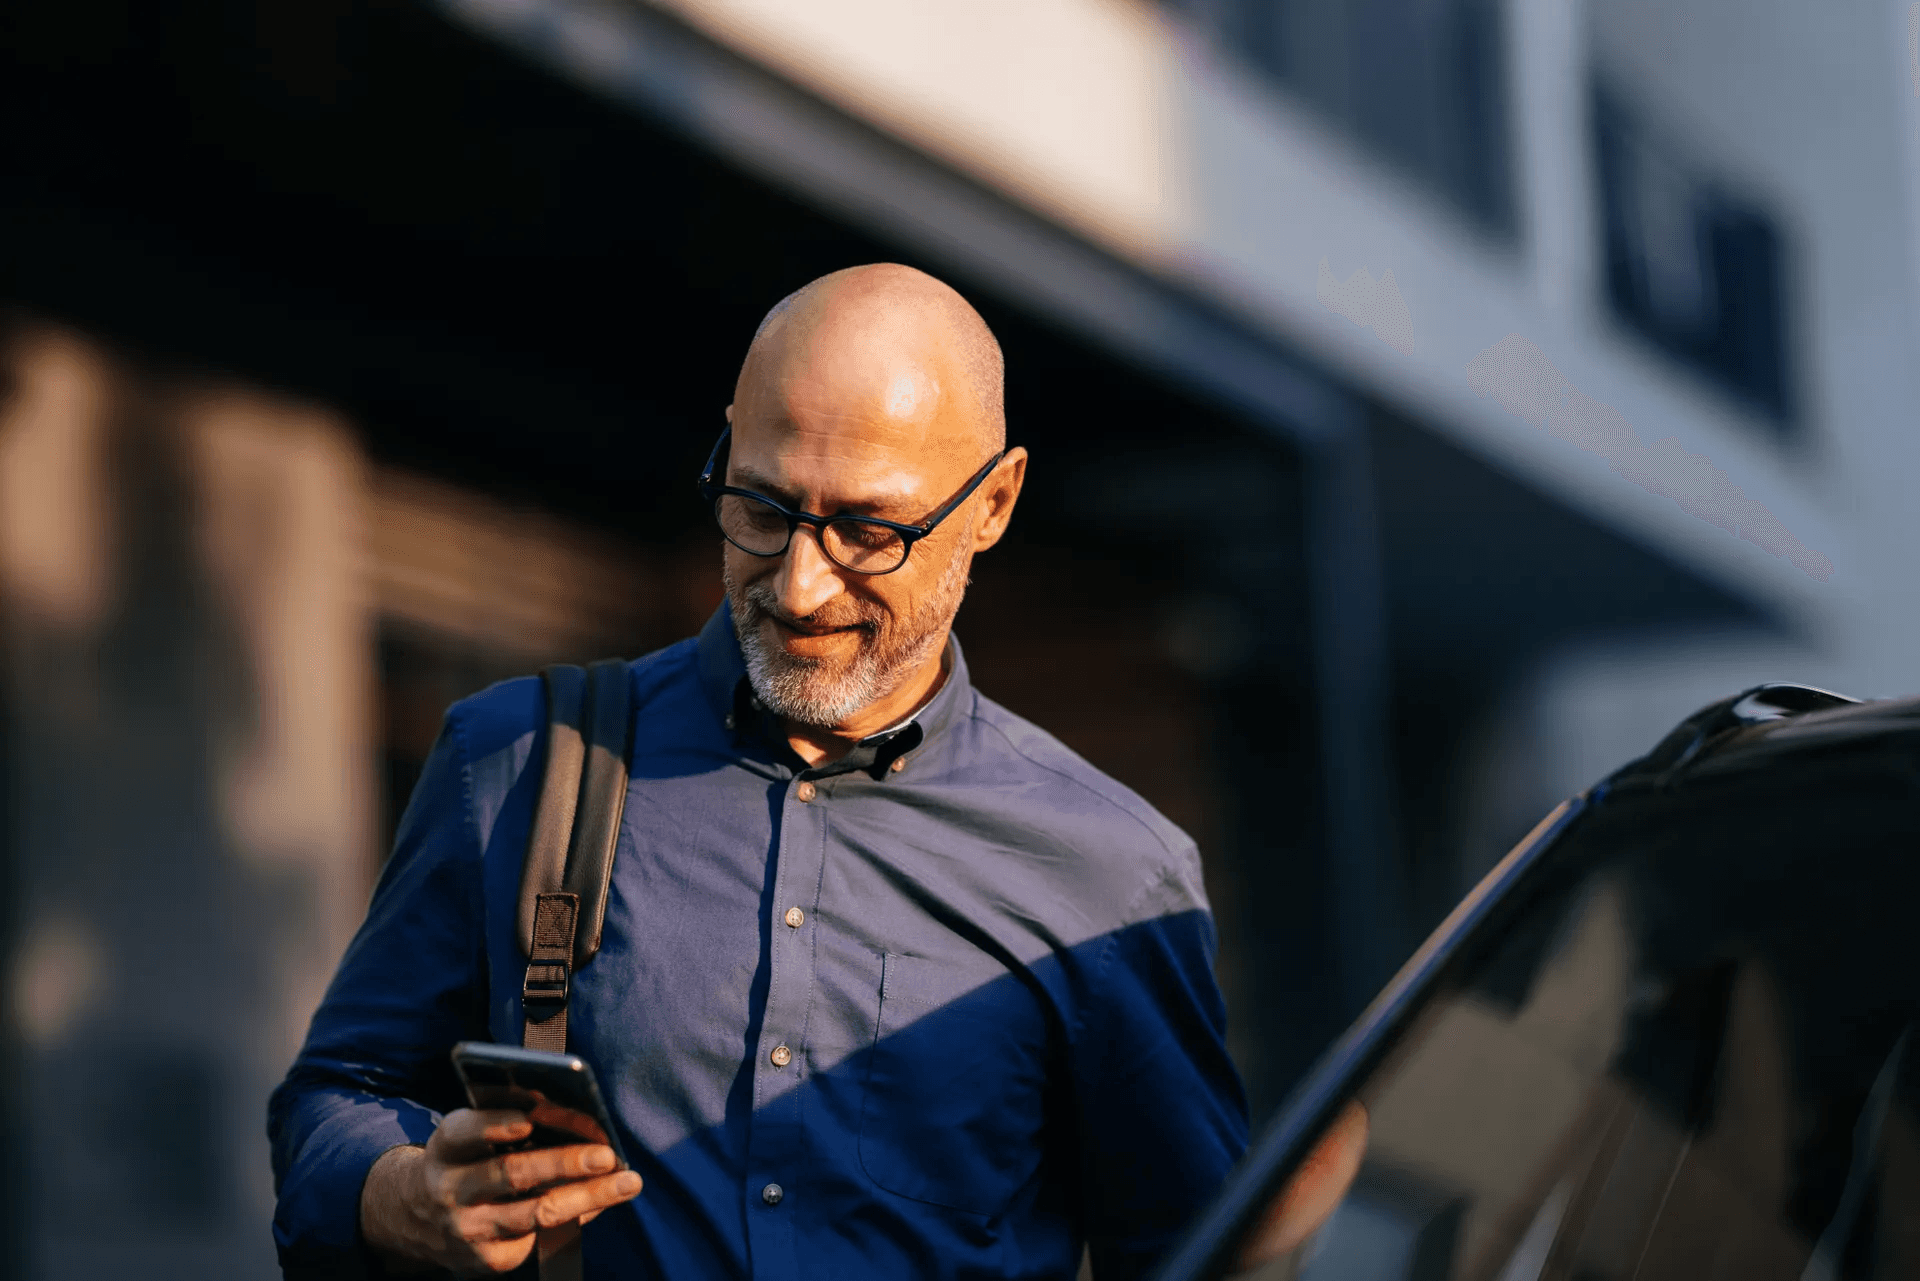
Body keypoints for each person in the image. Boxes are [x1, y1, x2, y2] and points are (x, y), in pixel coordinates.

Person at [268, 264, 1251, 1279]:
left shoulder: (1113, 876)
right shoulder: (516, 759)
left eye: (871, 530)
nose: (801, 582)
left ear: (993, 502)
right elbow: (334, 1095)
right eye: (764, 507)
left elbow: (1193, 1256)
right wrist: (398, 1194)